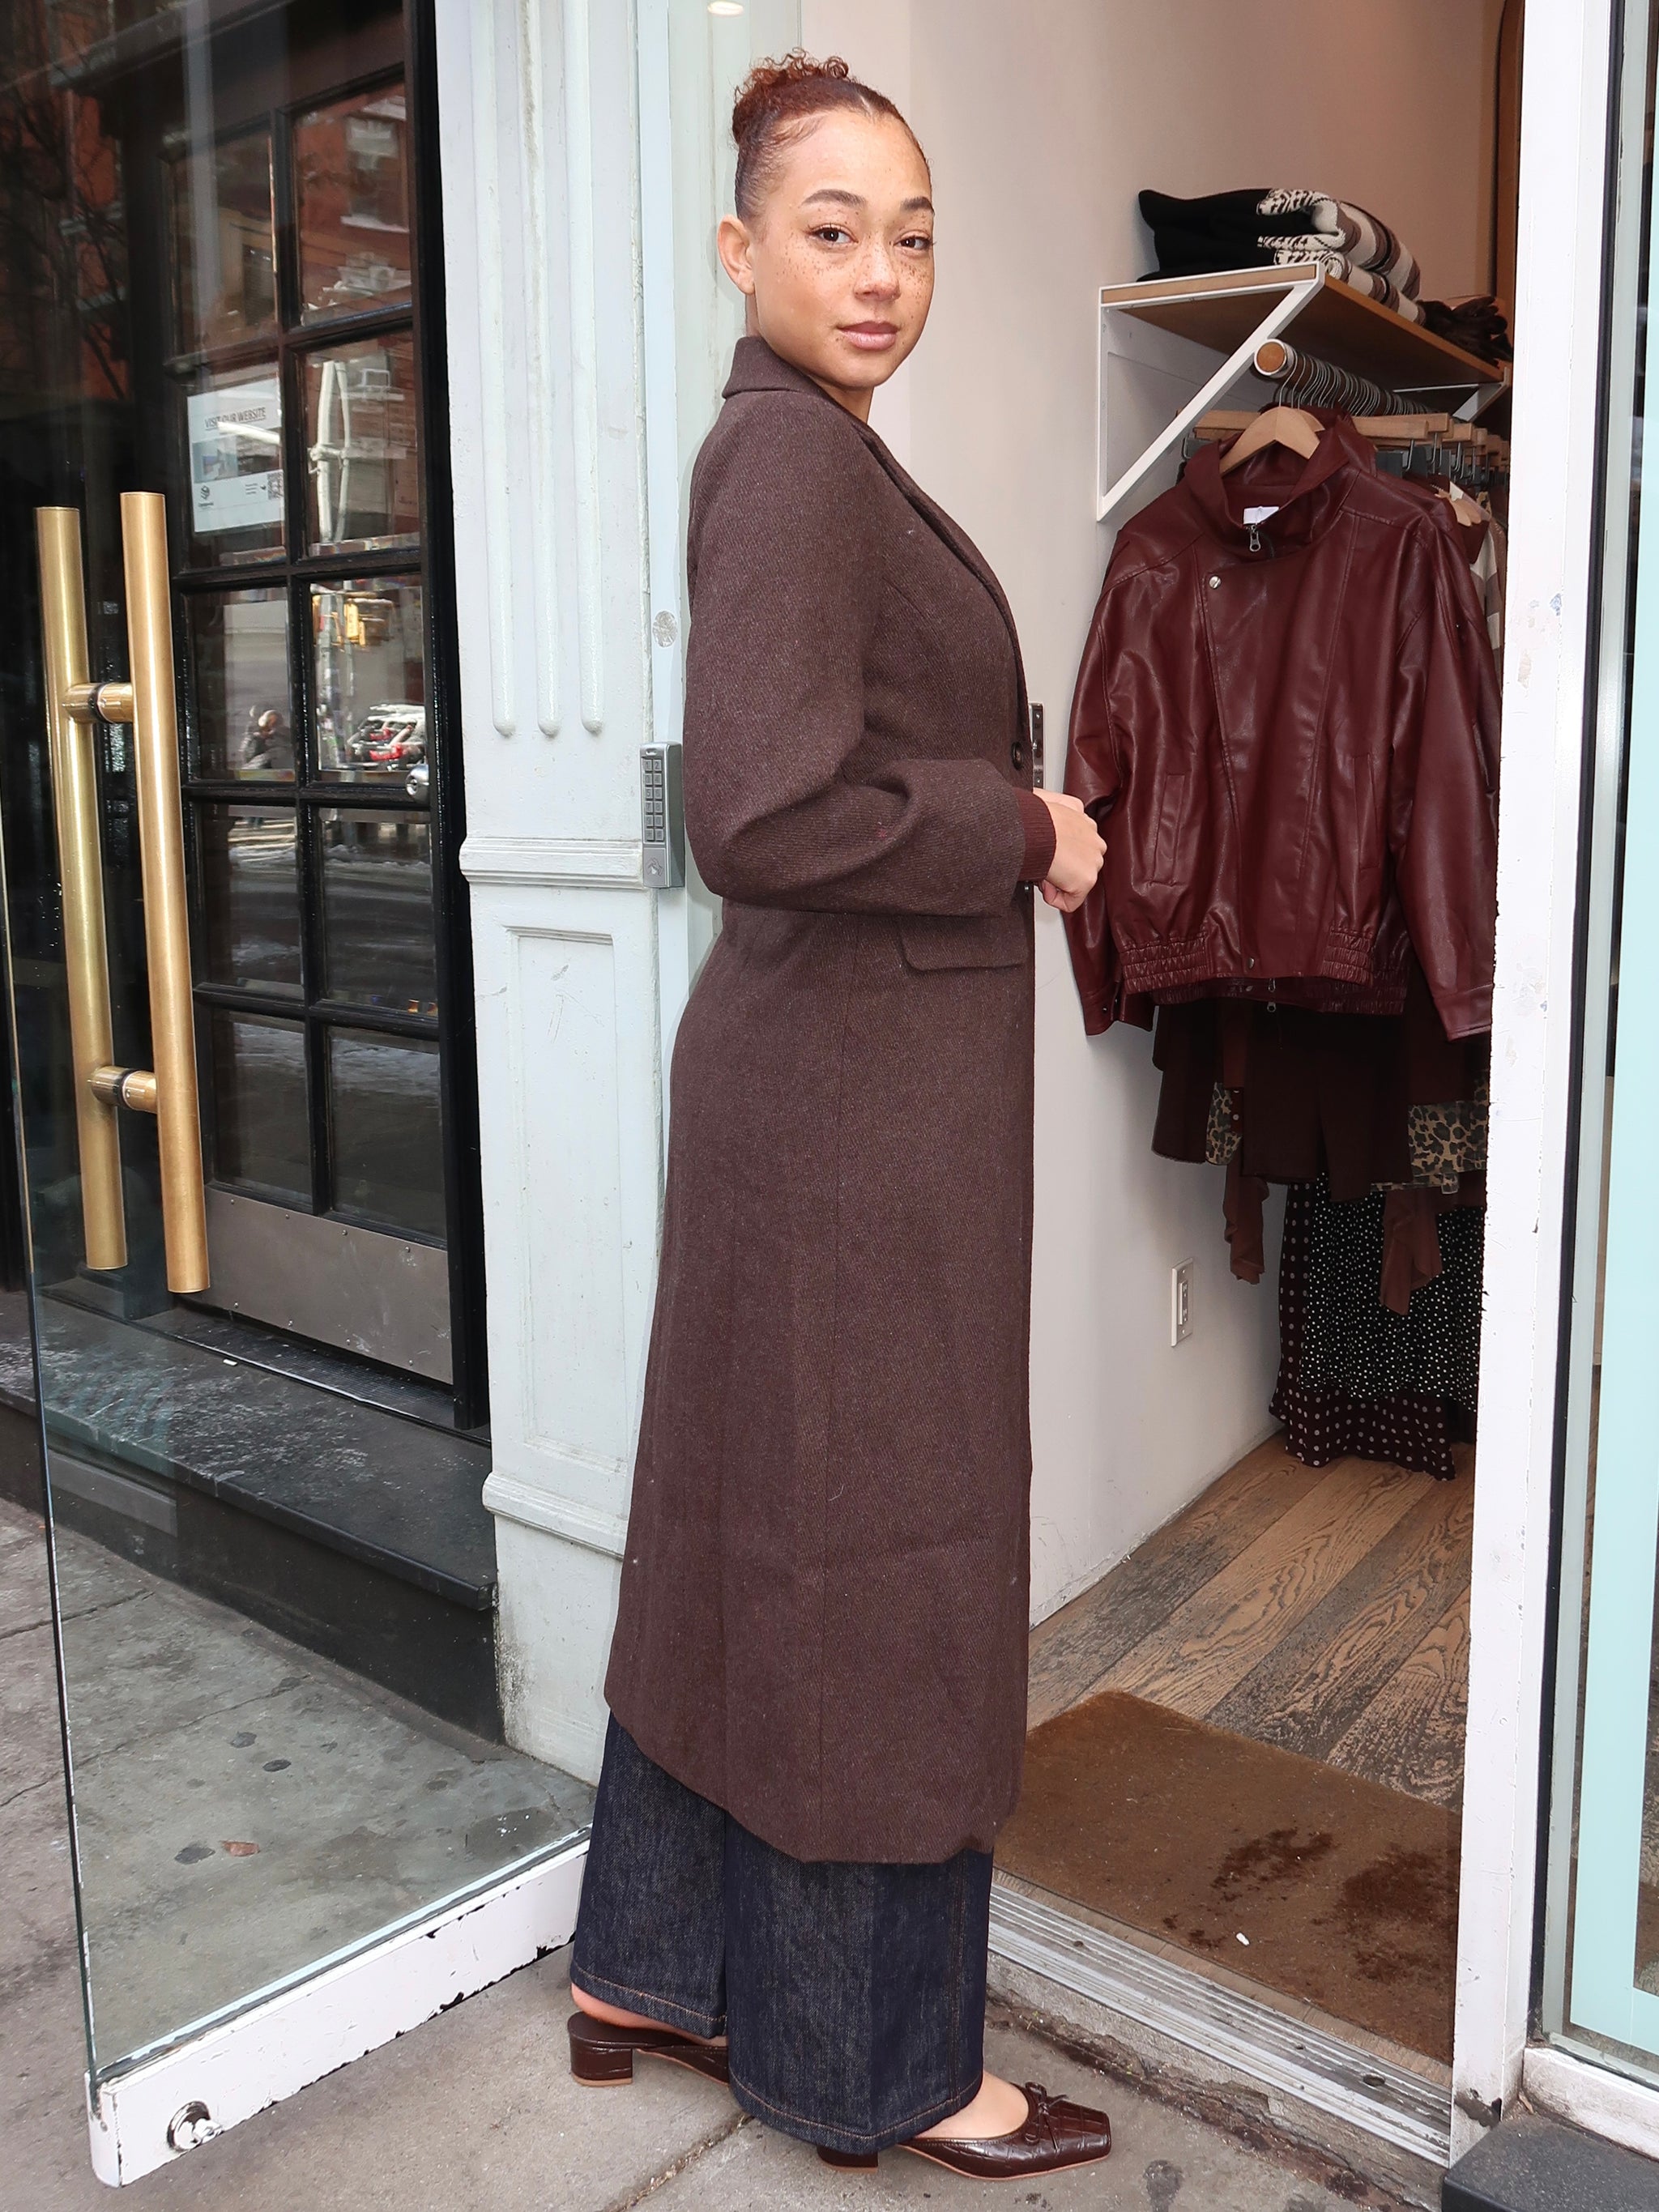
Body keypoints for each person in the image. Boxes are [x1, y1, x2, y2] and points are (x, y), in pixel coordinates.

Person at [565, 52, 1111, 2182]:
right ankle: (880, 2063)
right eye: (832, 230)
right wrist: (1024, 825)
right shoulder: (794, 461)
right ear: (742, 248)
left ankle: (649, 1961)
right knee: (887, 1559)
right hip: (854, 1120)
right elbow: (763, 809)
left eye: (914, 235)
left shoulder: (806, 445)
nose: (881, 273)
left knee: (750, 1528)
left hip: (816, 1090)